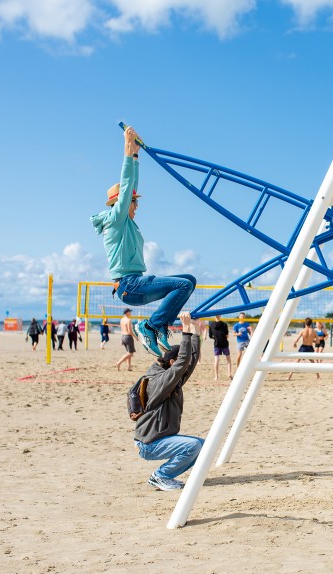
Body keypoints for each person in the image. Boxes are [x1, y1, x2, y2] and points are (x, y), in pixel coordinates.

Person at [90, 125, 197, 358]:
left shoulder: (126, 223)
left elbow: (131, 187)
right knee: (183, 285)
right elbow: (127, 186)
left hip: (134, 283)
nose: (137, 205)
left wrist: (136, 154)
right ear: (123, 203)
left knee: (189, 280)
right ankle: (150, 326)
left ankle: (159, 327)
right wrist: (127, 150)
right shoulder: (116, 220)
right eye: (134, 202)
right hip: (129, 285)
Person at [134, 312, 203, 492]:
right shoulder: (161, 381)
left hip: (160, 438)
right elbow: (183, 362)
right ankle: (160, 476)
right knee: (194, 446)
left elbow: (191, 360)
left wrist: (195, 332)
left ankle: (166, 475)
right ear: (172, 362)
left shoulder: (171, 377)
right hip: (149, 444)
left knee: (203, 445)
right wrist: (186, 330)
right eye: (179, 362)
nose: (184, 366)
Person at [208, 314, 232, 381]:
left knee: (217, 360)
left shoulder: (211, 325)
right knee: (228, 359)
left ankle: (216, 377)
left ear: (214, 316)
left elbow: (210, 336)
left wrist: (216, 338)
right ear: (220, 316)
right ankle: (229, 374)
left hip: (217, 344)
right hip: (224, 344)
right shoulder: (224, 324)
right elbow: (227, 336)